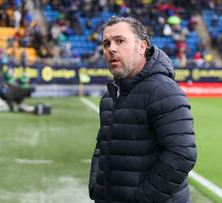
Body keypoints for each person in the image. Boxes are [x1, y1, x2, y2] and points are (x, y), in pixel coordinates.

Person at [89, 16, 197, 203]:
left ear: (142, 47)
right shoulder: (110, 96)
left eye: (120, 41)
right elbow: (102, 147)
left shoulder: (163, 90)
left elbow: (182, 154)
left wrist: (144, 199)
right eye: (106, 44)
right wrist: (96, 187)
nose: (111, 49)